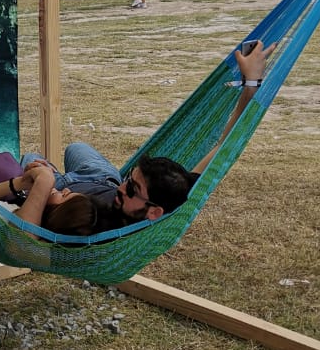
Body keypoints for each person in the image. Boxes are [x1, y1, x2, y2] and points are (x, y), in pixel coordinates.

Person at [22, 40, 275, 228]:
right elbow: (224, 146)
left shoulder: (103, 227)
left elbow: (30, 238)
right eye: (129, 179)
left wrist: (46, 182)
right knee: (75, 147)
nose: (123, 188)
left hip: (63, 191)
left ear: (154, 212)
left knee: (28, 159)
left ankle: (53, 173)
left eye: (132, 189)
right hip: (101, 177)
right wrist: (251, 84)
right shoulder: (178, 189)